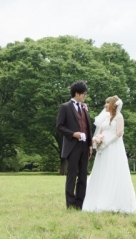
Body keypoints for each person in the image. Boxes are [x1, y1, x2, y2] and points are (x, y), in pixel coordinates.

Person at [82, 95, 136, 214]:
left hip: (113, 146)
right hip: (102, 148)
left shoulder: (119, 117)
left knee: (112, 170)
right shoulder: (105, 117)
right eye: (105, 103)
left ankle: (113, 200)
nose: (105, 105)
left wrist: (107, 143)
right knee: (101, 171)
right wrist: (96, 140)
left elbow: (119, 133)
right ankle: (96, 197)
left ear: (113, 105)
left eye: (107, 103)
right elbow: (100, 130)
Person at [56, 80, 93, 210]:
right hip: (72, 147)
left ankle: (80, 204)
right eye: (84, 94)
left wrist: (90, 145)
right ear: (76, 93)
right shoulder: (65, 107)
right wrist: (73, 134)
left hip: (84, 147)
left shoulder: (85, 108)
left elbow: (88, 127)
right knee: (72, 176)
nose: (85, 96)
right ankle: (70, 205)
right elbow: (59, 126)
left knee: (83, 176)